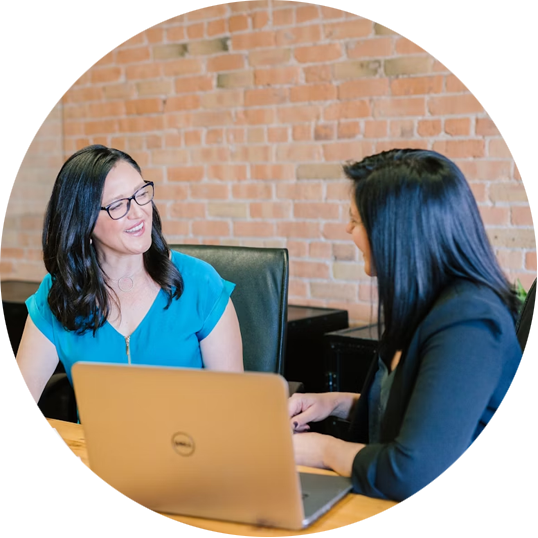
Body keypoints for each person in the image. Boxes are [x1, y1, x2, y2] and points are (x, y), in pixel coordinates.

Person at [289, 149, 536, 504]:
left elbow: (412, 474)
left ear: (395, 232)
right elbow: (419, 409)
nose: (348, 229)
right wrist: (335, 403)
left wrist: (323, 450)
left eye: (356, 220)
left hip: (480, 510)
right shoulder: (420, 304)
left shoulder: (469, 321)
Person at [0, 145, 243, 460]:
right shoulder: (60, 295)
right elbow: (17, 392)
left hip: (190, 460)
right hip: (97, 465)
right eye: (118, 205)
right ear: (84, 221)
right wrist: (15, 428)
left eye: (141, 194)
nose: (139, 212)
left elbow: (234, 404)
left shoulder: (200, 283)